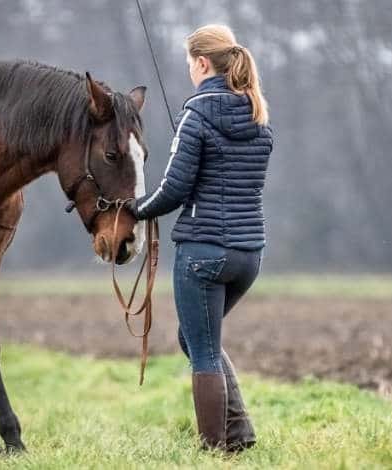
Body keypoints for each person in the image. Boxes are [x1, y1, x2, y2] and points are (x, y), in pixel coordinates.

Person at [131, 23, 272, 452]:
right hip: (248, 257)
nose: (190, 70)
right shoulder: (258, 115)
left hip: (202, 255)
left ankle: (213, 451)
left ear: (202, 62)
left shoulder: (196, 115)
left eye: (190, 63)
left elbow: (174, 189)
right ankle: (240, 434)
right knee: (195, 340)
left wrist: (135, 210)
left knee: (204, 351)